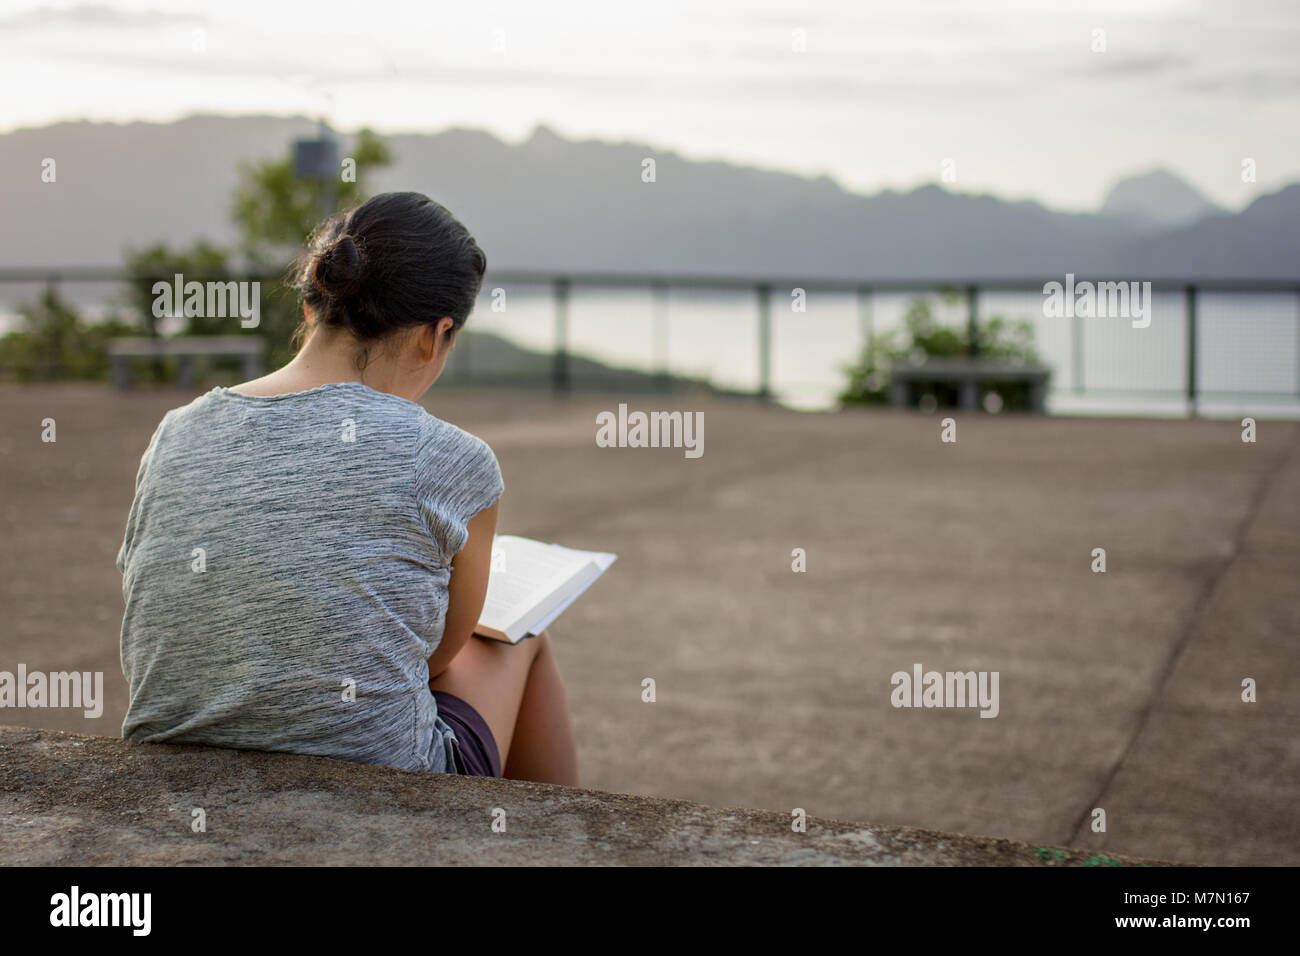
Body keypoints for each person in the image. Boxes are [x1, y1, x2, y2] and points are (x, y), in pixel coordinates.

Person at [116, 191, 578, 785]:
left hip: (170, 764)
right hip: (385, 780)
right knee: (523, 641)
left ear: (312, 307)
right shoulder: (453, 457)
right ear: (432, 337)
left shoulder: (176, 432)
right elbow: (436, 658)